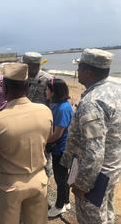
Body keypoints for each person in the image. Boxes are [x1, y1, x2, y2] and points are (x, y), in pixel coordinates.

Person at [0, 63, 53, 224]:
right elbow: (46, 140)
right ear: (27, 86)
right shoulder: (45, 111)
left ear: (4, 87)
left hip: (10, 184)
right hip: (39, 180)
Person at [60, 48, 121, 224]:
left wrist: (82, 184)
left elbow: (94, 151)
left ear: (88, 71)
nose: (77, 71)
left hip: (96, 176)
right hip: (112, 168)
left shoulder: (92, 102)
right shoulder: (116, 91)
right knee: (107, 214)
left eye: (79, 67)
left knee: (93, 218)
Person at [45, 78, 73, 218]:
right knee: (63, 177)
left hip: (61, 149)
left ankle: (59, 206)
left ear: (53, 91)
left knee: (60, 178)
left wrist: (42, 141)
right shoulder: (57, 104)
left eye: (47, 89)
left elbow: (57, 135)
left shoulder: (63, 108)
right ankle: (66, 201)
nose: (46, 91)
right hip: (59, 147)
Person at [23, 52, 54, 179]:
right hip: (25, 121)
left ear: (37, 65)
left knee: (44, 151)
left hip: (42, 122)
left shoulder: (48, 79)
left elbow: (53, 102)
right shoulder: (22, 78)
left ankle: (46, 175)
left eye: (31, 66)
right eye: (26, 66)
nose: (29, 69)